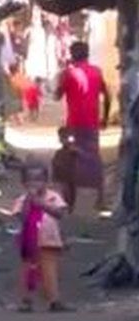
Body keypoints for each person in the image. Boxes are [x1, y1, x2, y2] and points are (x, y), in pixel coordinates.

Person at [0, 163, 71, 313]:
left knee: (49, 272)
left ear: (46, 182)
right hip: (29, 243)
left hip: (49, 242)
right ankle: (26, 301)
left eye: (39, 180)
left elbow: (60, 214)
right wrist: (30, 201)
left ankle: (54, 300)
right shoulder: (22, 200)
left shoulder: (53, 197)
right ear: (24, 183)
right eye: (30, 180)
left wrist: (41, 204)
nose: (35, 183)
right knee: (27, 272)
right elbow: (22, 217)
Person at [54, 40, 110, 215]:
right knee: (94, 159)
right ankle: (101, 199)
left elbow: (57, 95)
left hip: (73, 124)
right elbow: (107, 96)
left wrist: (60, 78)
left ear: (71, 55)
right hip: (91, 124)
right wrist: (105, 118)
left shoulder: (68, 73)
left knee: (69, 159)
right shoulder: (97, 71)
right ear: (88, 54)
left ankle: (69, 202)